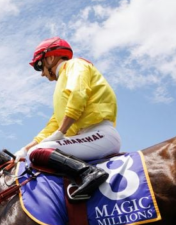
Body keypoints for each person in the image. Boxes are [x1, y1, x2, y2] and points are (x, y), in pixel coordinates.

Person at [15, 37, 120, 200]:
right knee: (34, 151)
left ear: (50, 58)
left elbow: (78, 95)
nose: (42, 73)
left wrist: (62, 131)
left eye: (39, 66)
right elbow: (53, 125)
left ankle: (89, 173)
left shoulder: (75, 64)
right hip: (87, 137)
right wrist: (25, 149)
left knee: (39, 152)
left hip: (99, 134)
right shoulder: (62, 84)